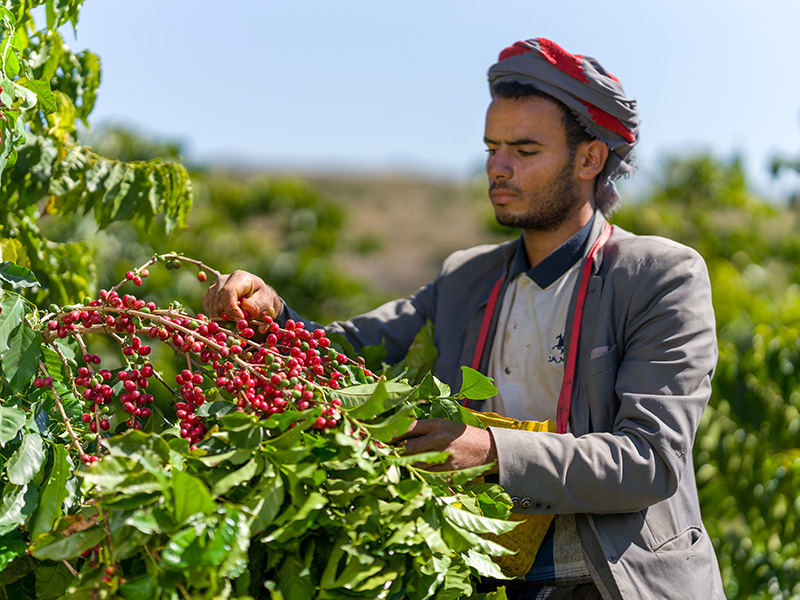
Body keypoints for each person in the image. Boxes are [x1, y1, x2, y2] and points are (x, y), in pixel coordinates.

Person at [203, 38, 725, 600]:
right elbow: (340, 357)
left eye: (524, 151)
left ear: (590, 159)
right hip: (488, 580)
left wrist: (492, 450)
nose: (498, 168)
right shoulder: (465, 279)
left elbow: (649, 461)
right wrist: (271, 314)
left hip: (613, 583)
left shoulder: (660, 276)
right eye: (491, 148)